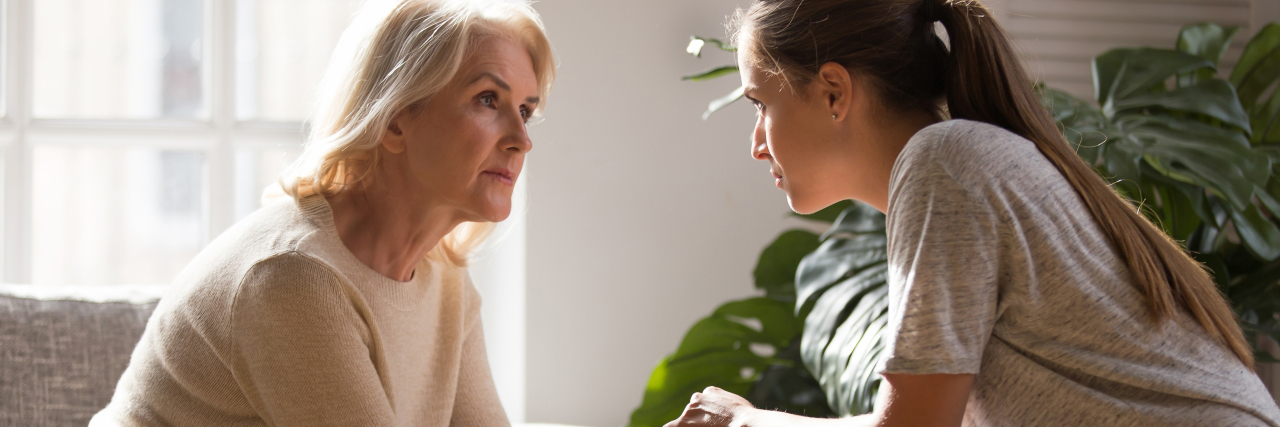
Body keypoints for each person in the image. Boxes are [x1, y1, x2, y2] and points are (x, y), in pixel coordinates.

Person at [665, 0, 1280, 426]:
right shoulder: (958, 165)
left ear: (833, 91)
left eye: (759, 104)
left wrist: (743, 419)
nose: (756, 142)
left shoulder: (945, 164)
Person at [90, 0, 553, 425]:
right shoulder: (294, 278)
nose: (521, 139)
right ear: (394, 119)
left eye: (526, 110)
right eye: (488, 100)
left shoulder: (445, 282)